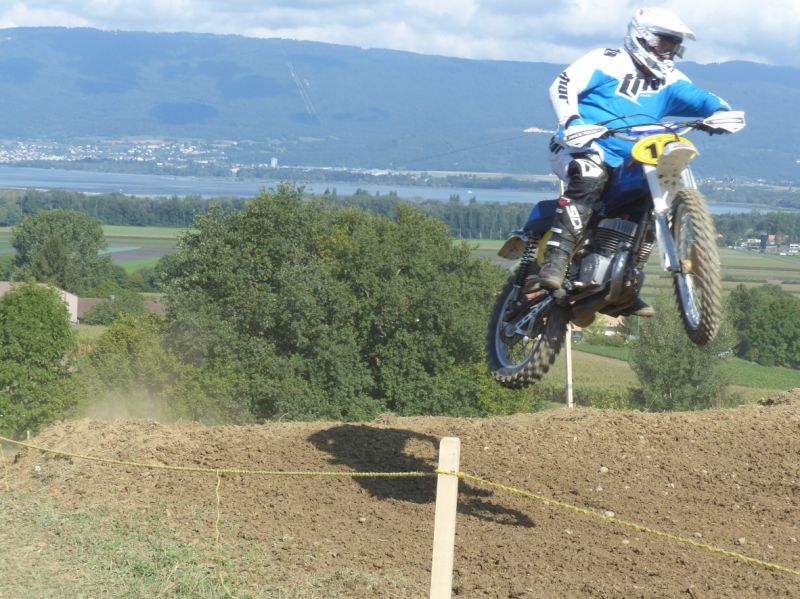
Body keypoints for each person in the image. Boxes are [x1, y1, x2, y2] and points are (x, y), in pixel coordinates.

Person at [538, 7, 734, 316]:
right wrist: (572, 120)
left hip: (631, 156)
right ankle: (556, 258)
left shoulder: (671, 79)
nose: (668, 52)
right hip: (580, 145)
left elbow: (701, 98)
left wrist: (722, 113)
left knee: (649, 203)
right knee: (590, 174)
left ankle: (624, 284)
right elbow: (563, 84)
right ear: (642, 37)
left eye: (674, 45)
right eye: (663, 42)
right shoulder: (606, 60)